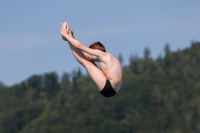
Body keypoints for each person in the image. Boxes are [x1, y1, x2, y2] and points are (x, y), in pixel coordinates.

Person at [60, 22, 123, 97]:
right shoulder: (109, 58)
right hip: (113, 89)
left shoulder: (101, 54)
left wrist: (66, 35)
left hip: (108, 87)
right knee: (87, 61)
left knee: (86, 61)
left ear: (95, 51)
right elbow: (83, 52)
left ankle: (68, 39)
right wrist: (72, 38)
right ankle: (69, 39)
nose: (89, 56)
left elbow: (79, 46)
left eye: (90, 54)